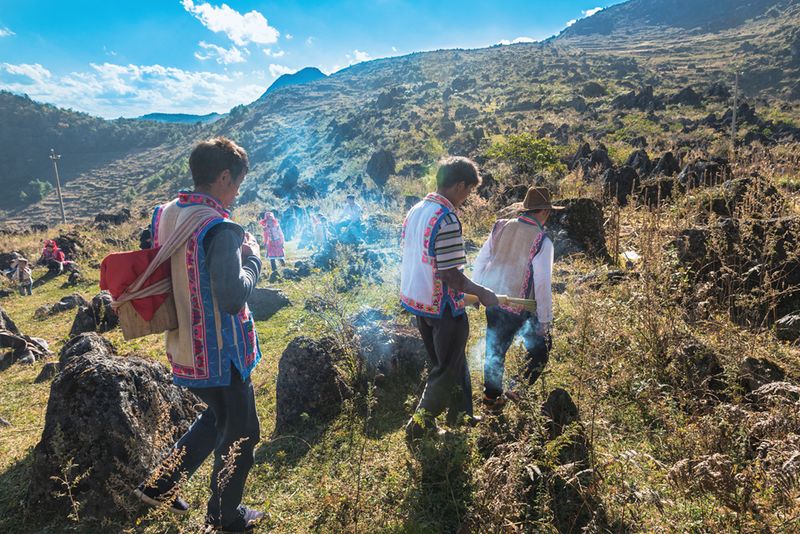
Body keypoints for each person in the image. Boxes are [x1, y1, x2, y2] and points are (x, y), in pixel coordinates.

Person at [134, 137, 265, 533]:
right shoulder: (221, 228)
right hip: (220, 352)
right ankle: (225, 516)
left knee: (217, 416)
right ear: (224, 176)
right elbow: (232, 297)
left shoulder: (167, 214)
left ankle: (161, 484)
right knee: (242, 432)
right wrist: (253, 259)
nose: (238, 191)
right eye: (238, 182)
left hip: (184, 347)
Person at [400, 156, 498, 443]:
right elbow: (450, 275)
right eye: (468, 191)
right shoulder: (447, 218)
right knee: (446, 369)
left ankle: (461, 415)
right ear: (458, 185)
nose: (467, 198)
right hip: (443, 308)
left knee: (451, 361)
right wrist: (481, 292)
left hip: (419, 301)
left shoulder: (416, 210)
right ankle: (419, 426)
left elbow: (420, 261)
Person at [472, 187, 561, 412]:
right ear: (544, 212)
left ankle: (491, 400)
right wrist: (544, 319)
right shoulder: (542, 241)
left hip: (493, 298)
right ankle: (518, 387)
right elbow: (541, 283)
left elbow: (481, 261)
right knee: (541, 347)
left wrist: (476, 292)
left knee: (495, 349)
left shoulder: (500, 227)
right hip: (521, 305)